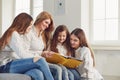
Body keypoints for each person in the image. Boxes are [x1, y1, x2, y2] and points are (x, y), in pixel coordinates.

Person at [0, 13, 54, 80]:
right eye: (30, 25)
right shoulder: (13, 34)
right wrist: (37, 57)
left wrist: (37, 56)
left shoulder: (19, 35)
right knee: (41, 61)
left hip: (13, 64)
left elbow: (25, 52)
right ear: (24, 24)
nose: (31, 27)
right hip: (5, 66)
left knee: (37, 73)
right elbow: (22, 54)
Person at [24, 11, 62, 80]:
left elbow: (40, 52)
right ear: (40, 19)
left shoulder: (42, 34)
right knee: (56, 70)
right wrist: (41, 54)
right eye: (46, 22)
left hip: (40, 60)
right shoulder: (29, 31)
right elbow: (25, 52)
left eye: (48, 24)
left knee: (59, 69)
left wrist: (45, 53)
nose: (47, 26)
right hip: (31, 60)